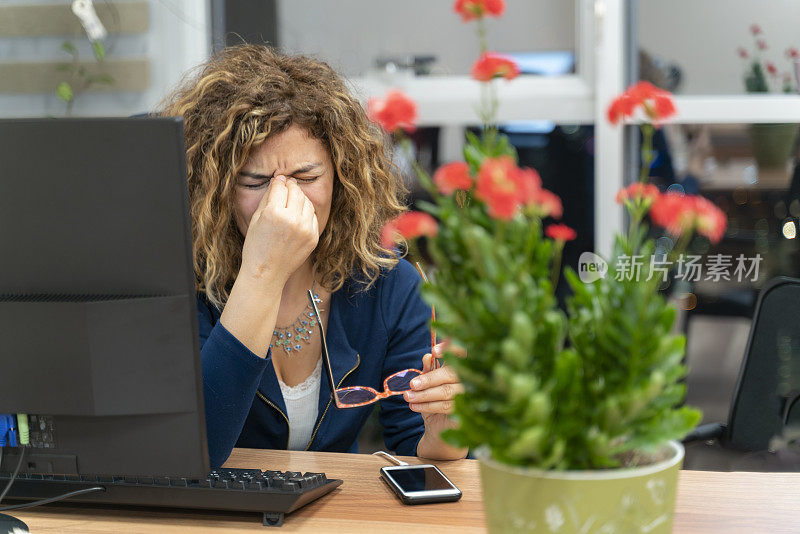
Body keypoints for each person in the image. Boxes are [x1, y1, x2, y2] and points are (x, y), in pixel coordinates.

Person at [158, 44, 467, 467]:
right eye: (255, 181)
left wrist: (446, 429)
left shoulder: (386, 283)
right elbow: (194, 450)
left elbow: (418, 448)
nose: (283, 203)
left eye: (306, 177)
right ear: (217, 192)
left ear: (341, 178)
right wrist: (263, 272)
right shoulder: (180, 284)